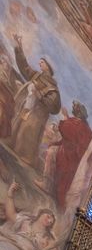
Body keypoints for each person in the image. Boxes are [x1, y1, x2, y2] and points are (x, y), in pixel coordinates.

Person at [9, 35, 61, 169]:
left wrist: (40, 95)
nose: (39, 64)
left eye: (42, 62)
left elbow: (55, 107)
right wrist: (18, 47)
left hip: (37, 115)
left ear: (48, 67)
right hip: (28, 107)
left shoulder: (53, 88)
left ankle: (24, 161)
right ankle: (11, 151)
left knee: (28, 132)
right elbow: (24, 67)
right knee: (18, 125)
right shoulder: (37, 75)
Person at [51, 102, 92, 209]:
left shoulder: (79, 125)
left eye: (74, 108)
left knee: (64, 179)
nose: (73, 109)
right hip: (75, 157)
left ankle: (59, 203)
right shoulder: (85, 127)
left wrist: (64, 116)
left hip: (71, 157)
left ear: (78, 111)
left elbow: (68, 130)